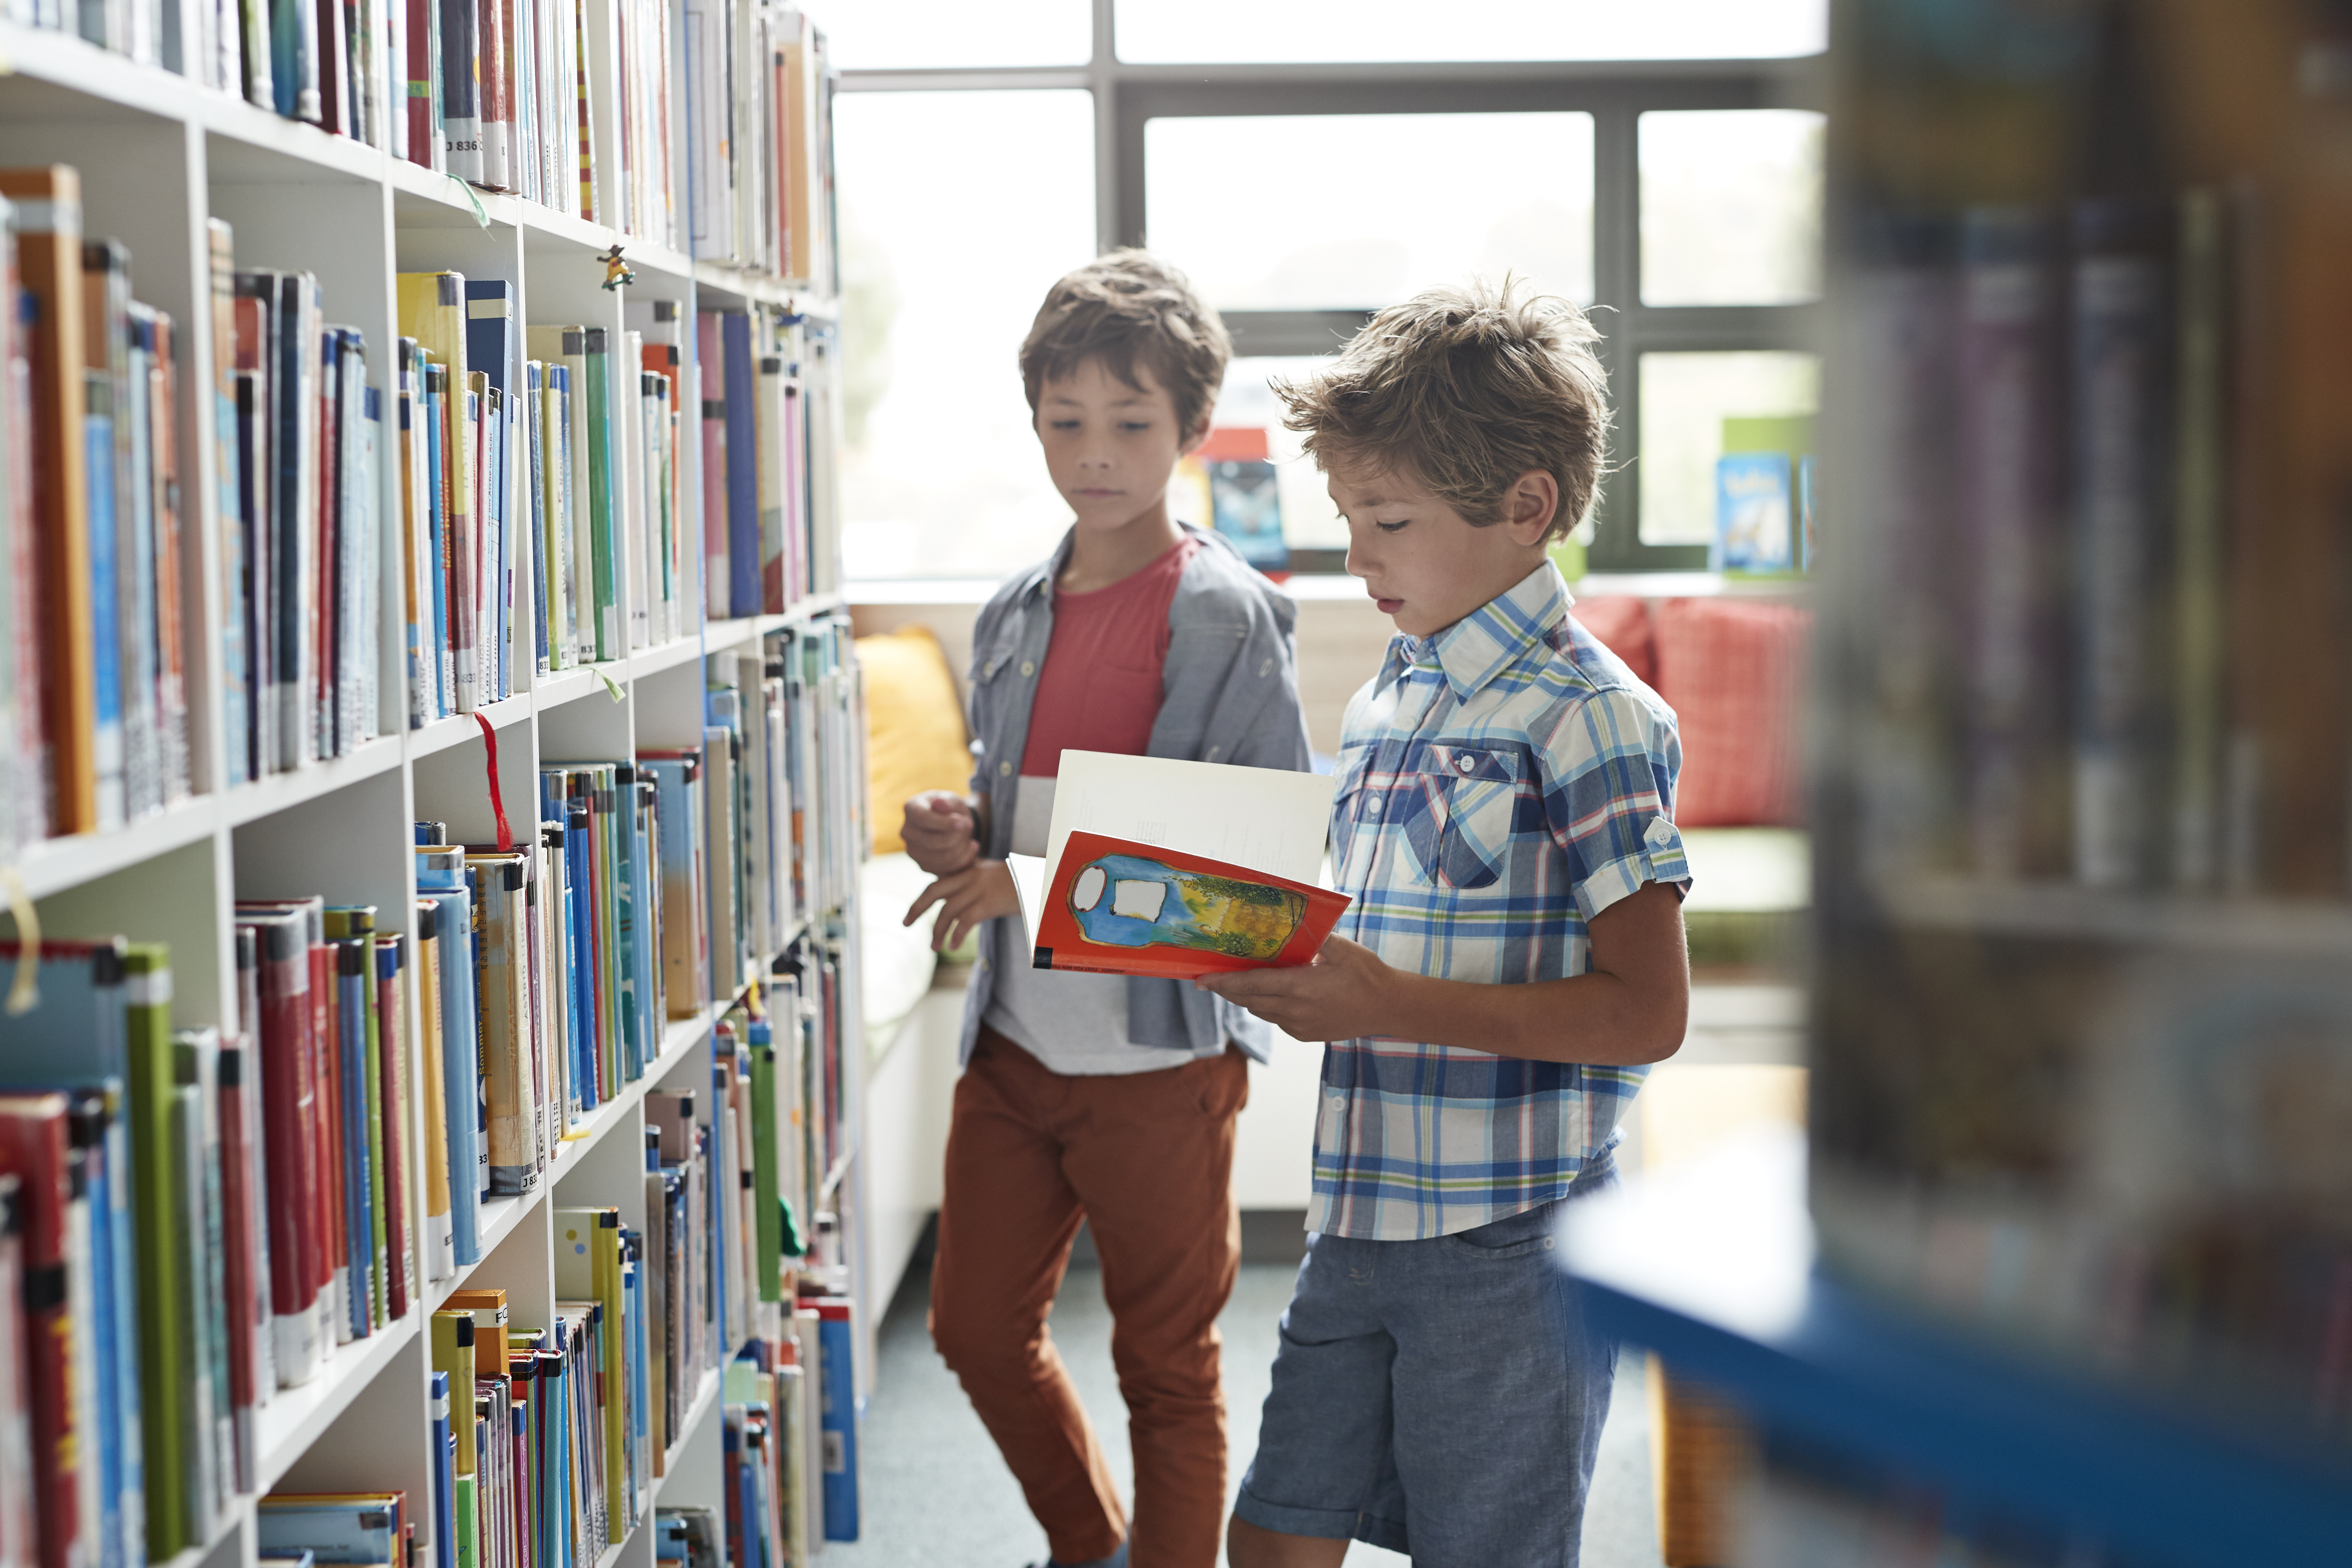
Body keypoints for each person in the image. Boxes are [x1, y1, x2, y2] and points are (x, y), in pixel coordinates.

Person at [1201, 280, 1692, 1568]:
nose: (1357, 556)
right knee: (1275, 1535)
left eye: (1389, 521)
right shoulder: (1390, 688)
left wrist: (1383, 1003)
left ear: (1524, 507)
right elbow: (1387, 924)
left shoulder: (1593, 716)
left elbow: (1648, 1012)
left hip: (1505, 1236)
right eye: (1349, 518)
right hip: (1359, 1205)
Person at [900, 250, 1314, 1568]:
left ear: (1192, 430)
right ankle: (1093, 1548)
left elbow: (1253, 887)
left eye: (1132, 424)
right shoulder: (1012, 610)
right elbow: (1013, 804)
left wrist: (1015, 876)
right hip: (1017, 1050)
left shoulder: (1232, 622)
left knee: (1166, 1366)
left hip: (1158, 1062)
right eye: (1066, 422)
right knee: (971, 1328)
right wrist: (957, 829)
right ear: (1032, 422)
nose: (1096, 454)